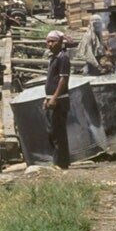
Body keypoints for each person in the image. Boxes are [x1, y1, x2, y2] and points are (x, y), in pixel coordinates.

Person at [43, 29, 71, 170]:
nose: (50, 44)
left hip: (59, 100)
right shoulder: (54, 58)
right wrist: (46, 98)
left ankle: (62, 163)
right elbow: (51, 80)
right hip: (52, 99)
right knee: (52, 132)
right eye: (48, 42)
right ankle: (58, 161)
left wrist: (54, 97)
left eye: (53, 41)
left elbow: (63, 79)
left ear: (60, 42)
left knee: (58, 132)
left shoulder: (63, 58)